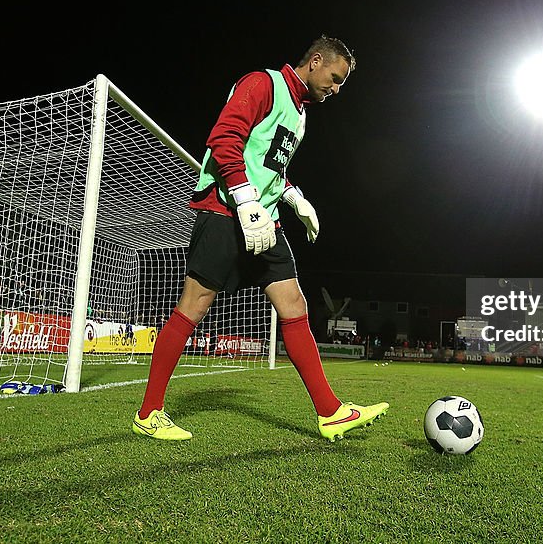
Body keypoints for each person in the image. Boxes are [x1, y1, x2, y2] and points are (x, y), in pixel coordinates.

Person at [133, 35, 389, 442]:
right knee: (194, 306)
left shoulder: (302, 113)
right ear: (316, 61)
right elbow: (223, 142)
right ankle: (149, 413)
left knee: (294, 303)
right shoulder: (262, 84)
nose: (336, 90)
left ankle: (331, 412)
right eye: (335, 78)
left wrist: (293, 197)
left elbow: (269, 164)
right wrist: (245, 198)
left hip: (263, 220)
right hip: (225, 212)